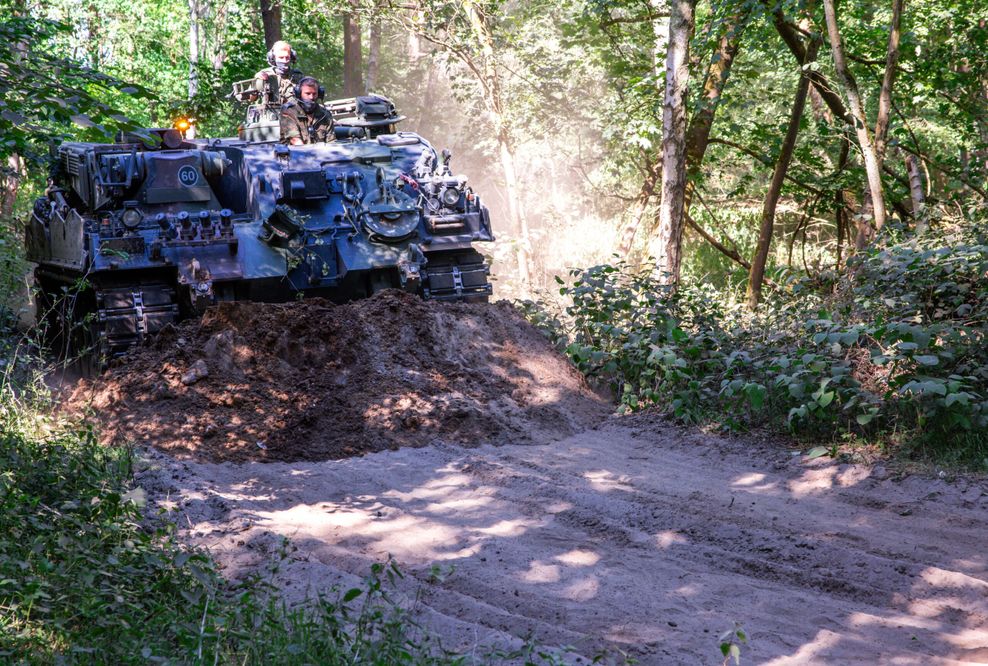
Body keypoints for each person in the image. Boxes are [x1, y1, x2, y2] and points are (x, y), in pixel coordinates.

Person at [280, 77, 335, 145]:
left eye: (314, 94)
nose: (311, 97)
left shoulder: (325, 114)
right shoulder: (289, 111)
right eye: (307, 94)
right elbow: (295, 141)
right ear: (299, 94)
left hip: (320, 153)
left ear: (319, 94)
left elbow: (331, 143)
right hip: (295, 153)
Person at [254, 40, 305, 106]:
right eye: (281, 57)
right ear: (273, 58)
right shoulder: (265, 75)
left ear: (291, 57)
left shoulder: (298, 75)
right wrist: (257, 83)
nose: (284, 61)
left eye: (287, 57)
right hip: (270, 113)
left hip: (293, 113)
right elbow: (252, 98)